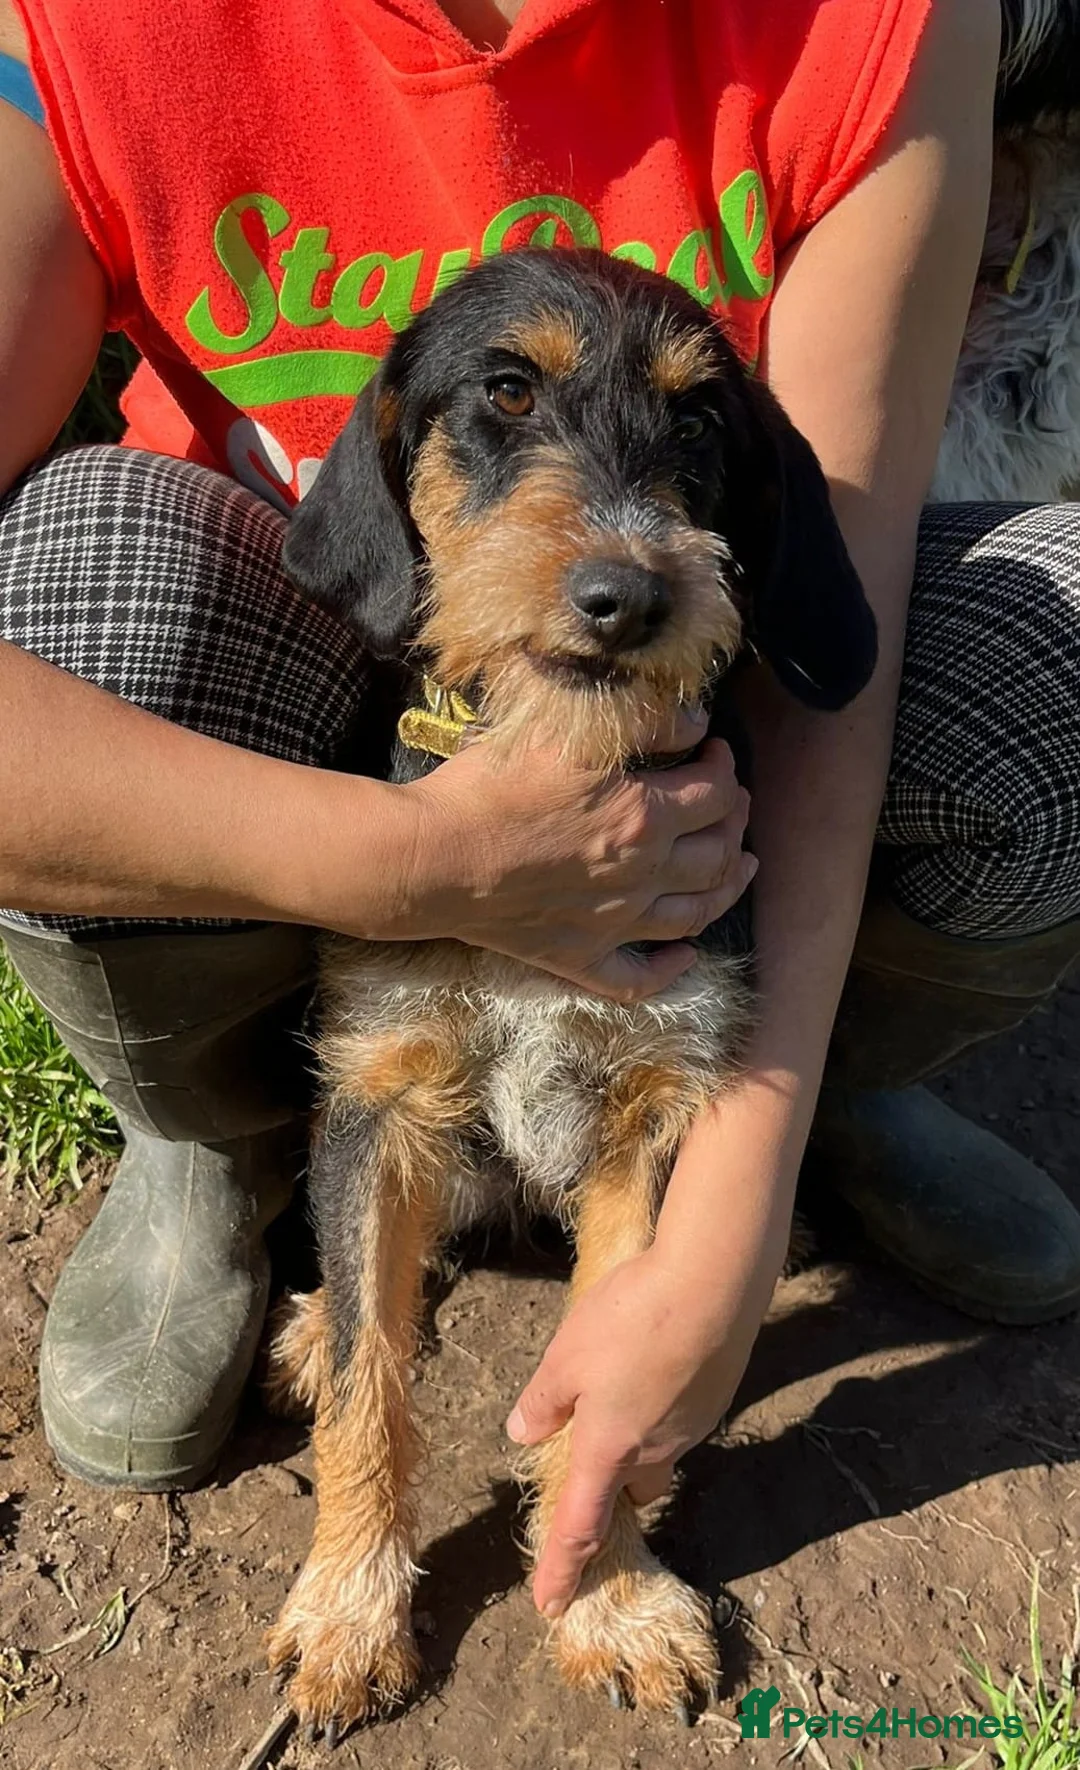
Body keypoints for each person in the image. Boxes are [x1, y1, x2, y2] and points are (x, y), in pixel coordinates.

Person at [1, 0, 1077, 1622]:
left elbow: (837, 612)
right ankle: (210, 1143)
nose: (614, 552)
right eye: (509, 399)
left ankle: (830, 1089)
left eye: (685, 429)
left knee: (1059, 651)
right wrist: (414, 864)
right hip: (322, 715)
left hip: (688, 791)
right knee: (86, 570)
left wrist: (732, 1202)